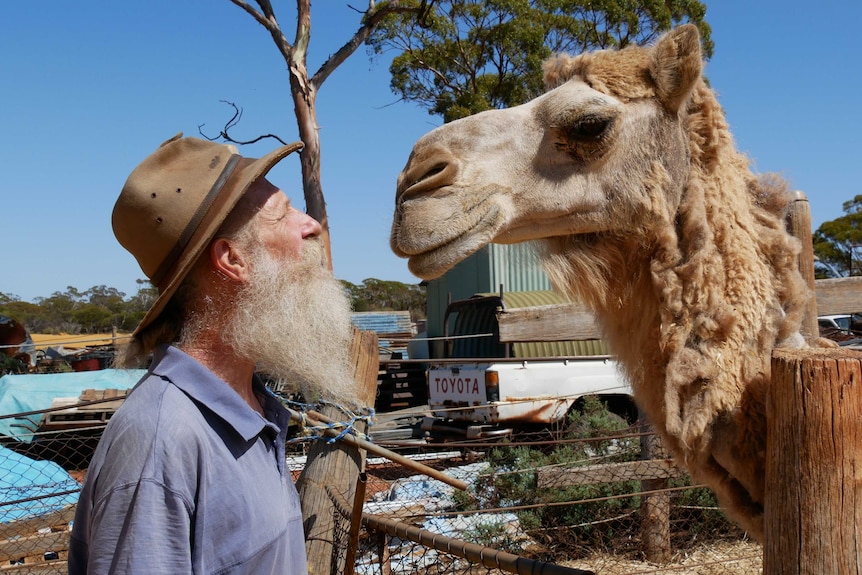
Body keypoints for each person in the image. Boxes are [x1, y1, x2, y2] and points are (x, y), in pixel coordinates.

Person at [68, 134, 357, 574]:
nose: (311, 224)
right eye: (283, 214)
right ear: (232, 259)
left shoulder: (253, 407)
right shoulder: (161, 442)